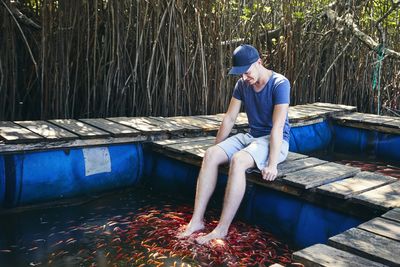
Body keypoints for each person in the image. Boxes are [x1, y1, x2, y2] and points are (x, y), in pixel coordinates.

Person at [177, 44, 291, 244]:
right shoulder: (242, 84)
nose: (245, 78)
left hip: (275, 141)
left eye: (247, 72)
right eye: (241, 74)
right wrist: (217, 150)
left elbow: (278, 127)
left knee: (238, 160)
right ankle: (197, 221)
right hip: (251, 136)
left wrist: (272, 164)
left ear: (259, 62)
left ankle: (221, 229)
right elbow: (229, 118)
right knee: (210, 155)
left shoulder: (280, 83)